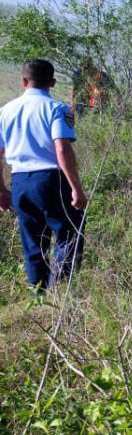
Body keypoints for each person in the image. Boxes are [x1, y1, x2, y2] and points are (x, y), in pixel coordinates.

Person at [0, 60, 88, 294]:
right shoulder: (57, 109)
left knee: (33, 241)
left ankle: (37, 294)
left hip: (19, 182)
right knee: (70, 230)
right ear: (53, 82)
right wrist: (76, 188)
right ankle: (61, 290)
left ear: (24, 81)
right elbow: (62, 148)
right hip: (50, 180)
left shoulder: (5, 111)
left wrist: (1, 189)